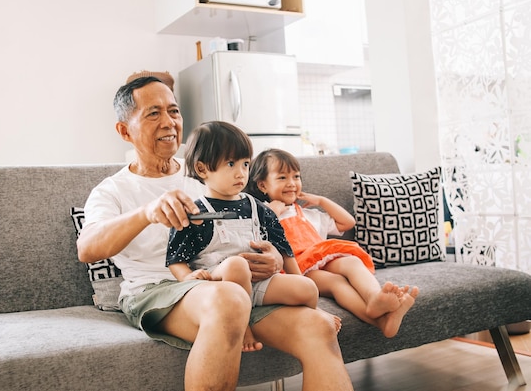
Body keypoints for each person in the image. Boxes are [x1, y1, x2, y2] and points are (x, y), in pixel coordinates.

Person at [76, 75, 354, 391]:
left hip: (234, 285)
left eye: (174, 111)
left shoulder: (206, 172)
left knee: (318, 327)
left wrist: (273, 259)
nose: (169, 122)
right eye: (154, 113)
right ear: (125, 130)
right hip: (157, 290)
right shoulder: (112, 190)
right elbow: (88, 248)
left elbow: (262, 224)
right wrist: (146, 213)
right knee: (229, 298)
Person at [166, 121, 322, 352]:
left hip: (258, 282)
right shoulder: (194, 212)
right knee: (237, 265)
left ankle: (302, 319)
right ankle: (244, 324)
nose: (241, 173)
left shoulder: (260, 208)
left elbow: (284, 248)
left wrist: (300, 281)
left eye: (245, 164)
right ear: (202, 169)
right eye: (231, 164)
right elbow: (176, 257)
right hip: (219, 282)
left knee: (307, 289)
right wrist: (188, 277)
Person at [246, 148, 420, 338]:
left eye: (296, 177)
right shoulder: (261, 215)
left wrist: (322, 201)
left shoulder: (308, 213)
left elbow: (347, 222)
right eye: (282, 178)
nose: (292, 183)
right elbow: (257, 241)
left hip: (322, 259)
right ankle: (381, 321)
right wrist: (272, 214)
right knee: (336, 282)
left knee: (352, 262)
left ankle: (374, 299)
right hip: (298, 269)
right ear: (263, 185)